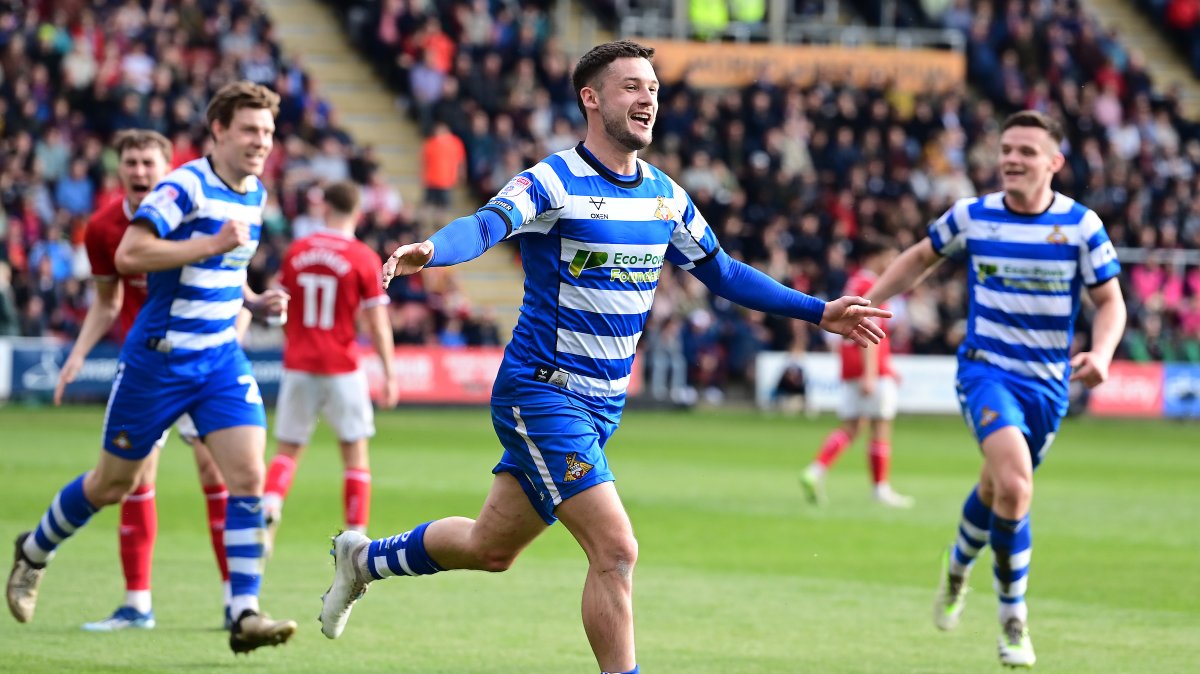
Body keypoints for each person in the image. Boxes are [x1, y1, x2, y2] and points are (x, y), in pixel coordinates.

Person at [317, 40, 890, 673]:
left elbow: (722, 271)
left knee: (490, 547)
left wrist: (818, 311)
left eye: (652, 88)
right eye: (631, 87)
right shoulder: (553, 181)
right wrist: (434, 248)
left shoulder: (666, 195)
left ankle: (362, 560)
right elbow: (485, 225)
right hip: (542, 392)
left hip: (602, 405)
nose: (647, 99)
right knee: (616, 549)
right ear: (592, 98)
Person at [7, 81, 299, 654]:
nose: (261, 142)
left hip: (219, 358)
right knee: (112, 485)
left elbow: (229, 266)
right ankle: (34, 551)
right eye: (250, 130)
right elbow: (130, 255)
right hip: (158, 361)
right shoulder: (183, 184)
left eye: (267, 132)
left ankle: (244, 613)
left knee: (247, 478)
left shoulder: (254, 193)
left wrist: (254, 301)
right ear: (218, 130)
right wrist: (210, 244)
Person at [863, 110, 1126, 668]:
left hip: (1049, 385)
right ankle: (1014, 617)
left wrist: (1102, 354)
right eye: (1007, 148)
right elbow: (919, 258)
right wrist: (869, 304)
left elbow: (1110, 302)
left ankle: (957, 568)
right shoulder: (974, 217)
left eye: (1027, 151)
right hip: (987, 372)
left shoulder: (1081, 227)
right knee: (1015, 484)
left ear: (1054, 163)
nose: (1012, 158)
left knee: (996, 489)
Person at [51, 130, 235, 632]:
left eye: (147, 163)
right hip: (150, 369)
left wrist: (235, 333)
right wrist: (78, 355)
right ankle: (137, 604)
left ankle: (233, 604)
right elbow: (107, 302)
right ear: (120, 171)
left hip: (204, 361)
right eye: (129, 163)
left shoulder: (198, 211)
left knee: (217, 476)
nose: (138, 172)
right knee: (133, 480)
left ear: (166, 169)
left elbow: (232, 284)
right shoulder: (104, 228)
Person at [261, 180, 399, 547]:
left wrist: (294, 337)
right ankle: (357, 539)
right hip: (341, 364)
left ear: (324, 208)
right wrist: (389, 374)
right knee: (354, 452)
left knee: (288, 448)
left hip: (299, 362)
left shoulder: (297, 250)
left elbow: (278, 304)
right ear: (357, 212)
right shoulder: (362, 257)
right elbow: (377, 324)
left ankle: (270, 503)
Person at [799, 239, 914, 508]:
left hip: (852, 364)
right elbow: (868, 329)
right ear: (876, 256)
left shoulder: (854, 283)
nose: (893, 264)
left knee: (852, 426)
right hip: (867, 365)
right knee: (880, 426)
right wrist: (873, 373)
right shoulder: (871, 287)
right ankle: (880, 489)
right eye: (890, 256)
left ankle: (815, 471)